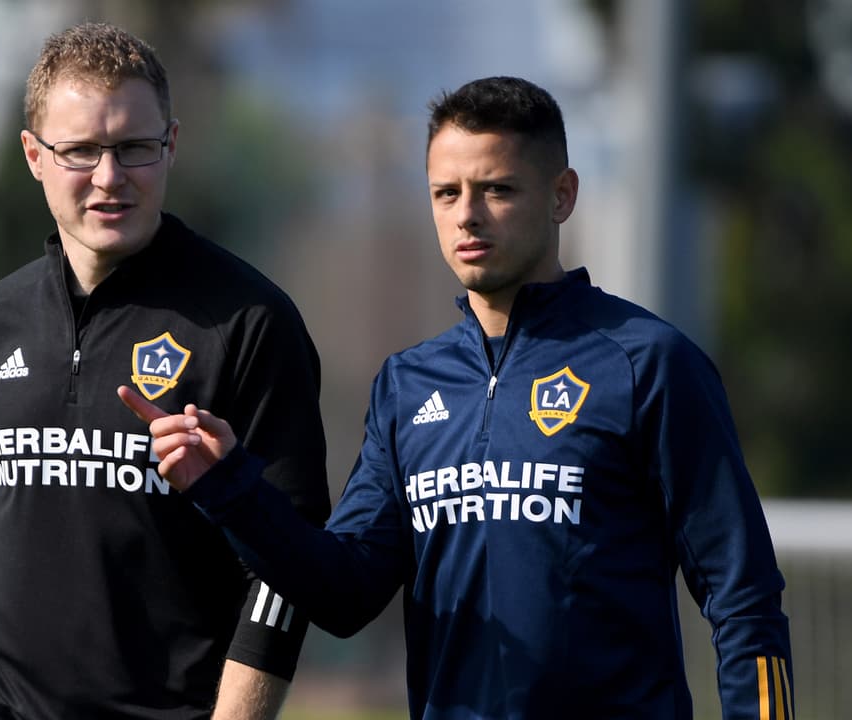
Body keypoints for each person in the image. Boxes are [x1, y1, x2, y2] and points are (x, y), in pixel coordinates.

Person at [123, 76, 794, 719]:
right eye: (446, 193)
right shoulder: (408, 385)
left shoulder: (650, 363)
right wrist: (231, 488)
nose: (467, 215)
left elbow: (744, 598)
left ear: (562, 195)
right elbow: (345, 592)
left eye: (497, 189)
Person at [0, 22, 329, 720]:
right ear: (34, 155)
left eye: (133, 148)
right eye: (80, 151)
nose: (109, 177)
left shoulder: (250, 323)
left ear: (171, 145)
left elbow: (283, 580)